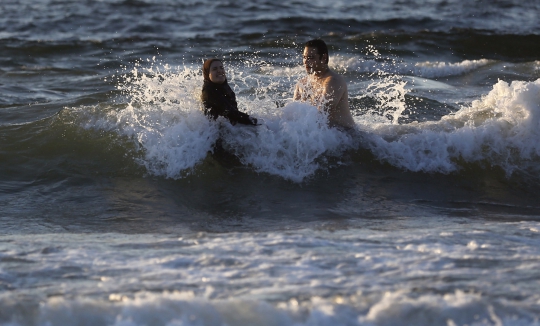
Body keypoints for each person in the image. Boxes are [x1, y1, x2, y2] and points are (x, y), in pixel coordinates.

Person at [293, 39, 356, 130]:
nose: (306, 61)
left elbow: (323, 116)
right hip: (323, 136)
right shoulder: (302, 84)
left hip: (347, 137)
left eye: (310, 57)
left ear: (324, 58)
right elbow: (293, 115)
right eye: (304, 57)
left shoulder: (333, 81)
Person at [201, 58, 257, 126]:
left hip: (228, 127)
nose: (219, 71)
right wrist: (252, 120)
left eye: (221, 68)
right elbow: (229, 112)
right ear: (207, 74)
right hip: (215, 132)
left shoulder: (222, 86)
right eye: (214, 69)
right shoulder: (209, 91)